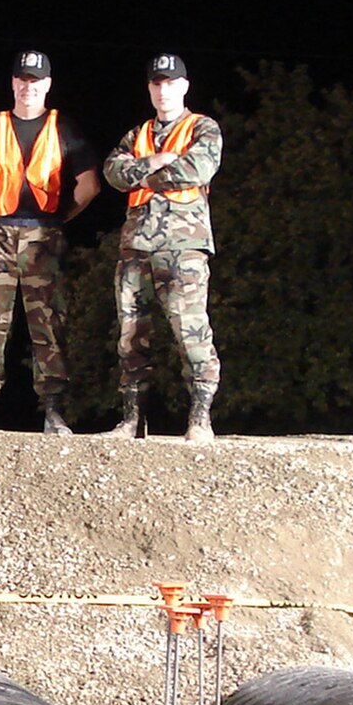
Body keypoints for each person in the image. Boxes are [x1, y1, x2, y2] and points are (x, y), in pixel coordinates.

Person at [0, 51, 100, 433]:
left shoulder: (62, 128)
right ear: (12, 83)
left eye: (35, 80)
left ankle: (53, 410)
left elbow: (89, 185)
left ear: (47, 85)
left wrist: (59, 219)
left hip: (44, 237)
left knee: (49, 322)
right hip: (0, 234)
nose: (27, 87)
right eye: (21, 79)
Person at [101, 53, 224, 441]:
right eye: (157, 83)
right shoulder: (137, 135)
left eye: (171, 83)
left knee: (189, 330)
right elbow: (113, 172)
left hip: (184, 247)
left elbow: (197, 168)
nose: (163, 90)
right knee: (131, 335)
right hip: (136, 247)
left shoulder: (203, 128)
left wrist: (144, 175)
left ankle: (200, 418)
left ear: (184, 86)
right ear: (149, 88)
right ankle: (131, 421)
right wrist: (154, 160)